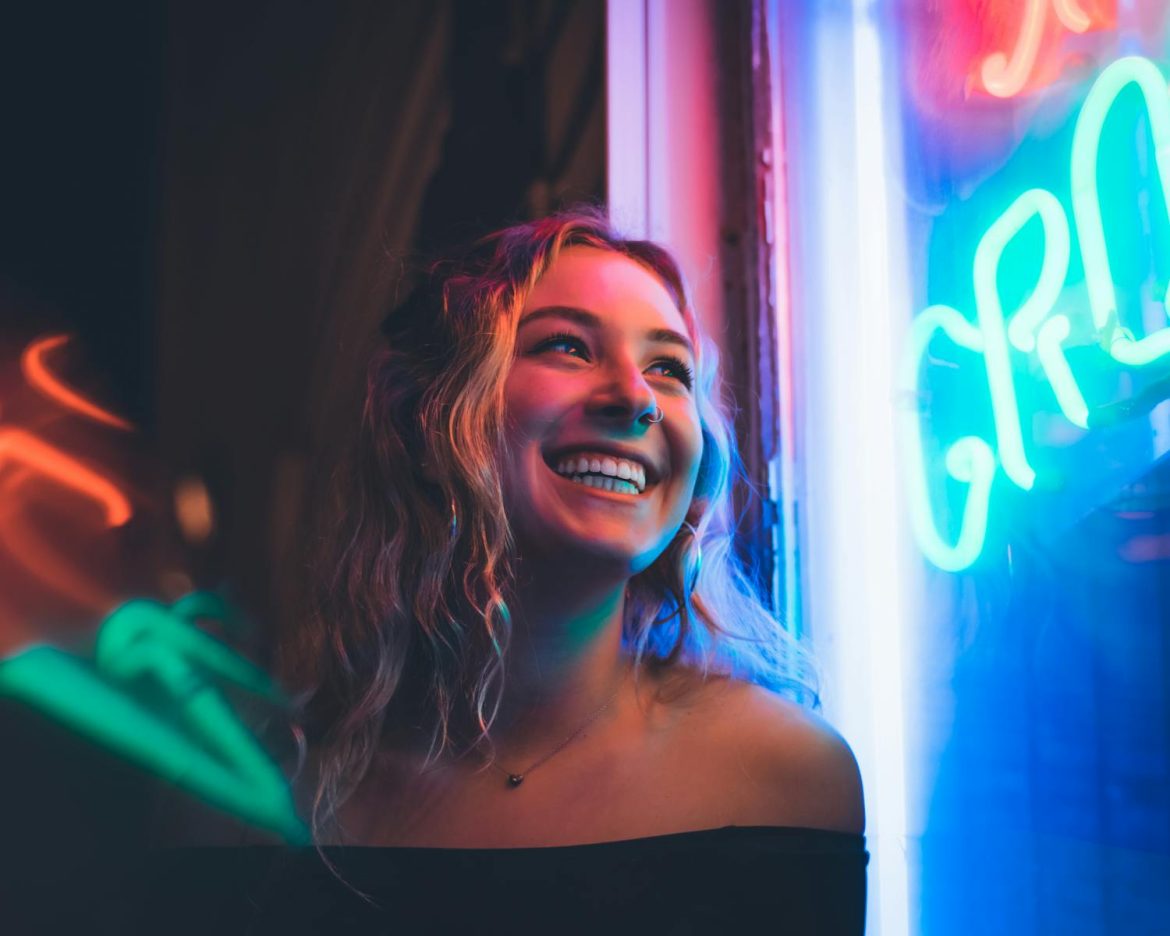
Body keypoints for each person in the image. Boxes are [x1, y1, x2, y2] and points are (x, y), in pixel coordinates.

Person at [145, 208, 867, 934]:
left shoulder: (783, 777)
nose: (636, 398)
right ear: (430, 421)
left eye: (668, 368)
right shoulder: (258, 794)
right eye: (566, 347)